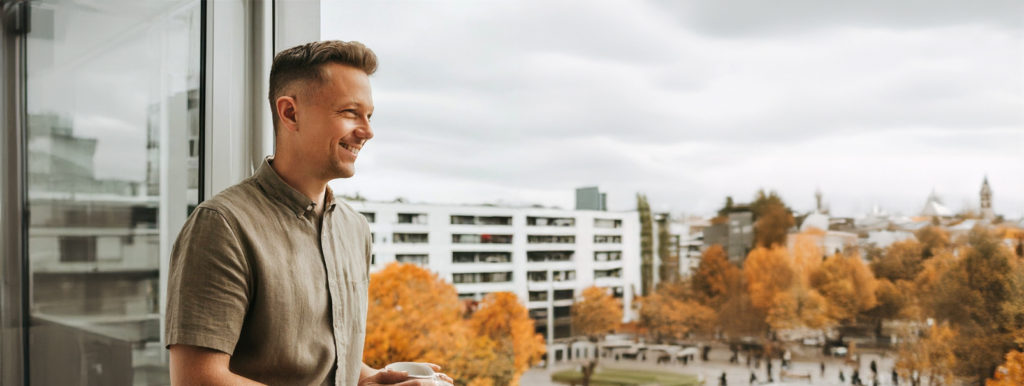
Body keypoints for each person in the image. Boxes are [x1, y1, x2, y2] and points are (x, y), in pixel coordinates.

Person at [164, 40, 453, 386]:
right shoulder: (222, 225)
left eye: (369, 116)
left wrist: (372, 378)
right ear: (290, 113)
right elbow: (197, 380)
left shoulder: (354, 228)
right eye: (350, 112)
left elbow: (322, 356)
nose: (367, 131)